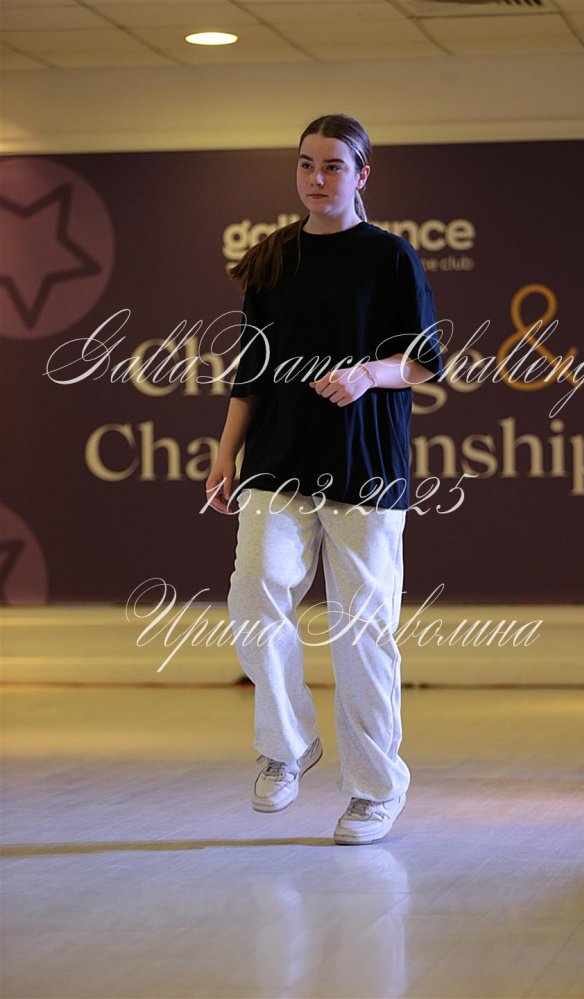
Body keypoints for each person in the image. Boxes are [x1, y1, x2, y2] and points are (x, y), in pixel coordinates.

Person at [206, 112, 444, 846]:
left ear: (362, 174)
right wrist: (225, 453)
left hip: (366, 466)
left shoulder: (390, 256)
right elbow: (250, 372)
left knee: (363, 632)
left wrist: (367, 374)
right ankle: (287, 746)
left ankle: (374, 792)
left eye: (333, 165)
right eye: (306, 164)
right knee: (254, 592)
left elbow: (423, 359)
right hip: (275, 459)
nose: (317, 178)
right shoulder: (273, 257)